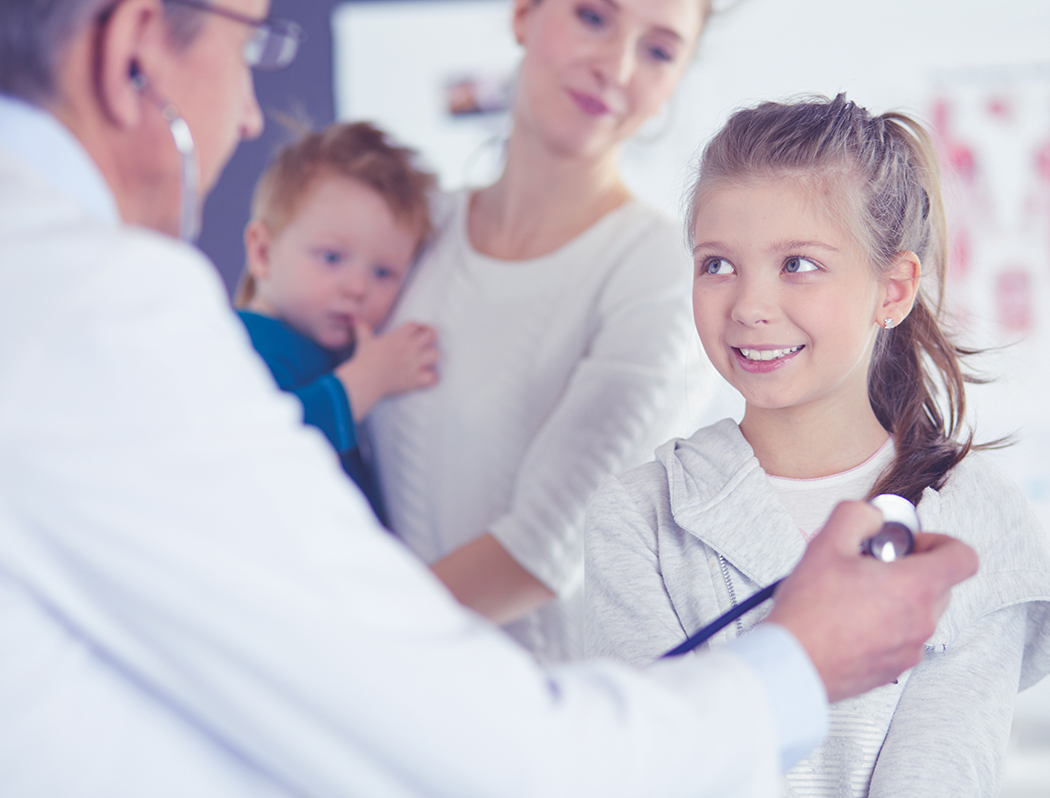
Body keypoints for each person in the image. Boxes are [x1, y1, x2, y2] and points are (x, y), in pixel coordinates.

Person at [0, 2, 979, 795]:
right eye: (249, 45)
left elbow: (532, 560)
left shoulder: (641, 277)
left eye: (659, 47)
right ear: (133, 49)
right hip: (470, 727)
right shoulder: (107, 304)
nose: (252, 112)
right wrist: (796, 667)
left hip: (508, 710)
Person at [585, 96, 1050, 797]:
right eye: (718, 265)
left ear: (894, 288)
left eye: (798, 264)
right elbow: (648, 772)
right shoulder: (639, 516)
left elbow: (936, 778)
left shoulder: (972, 520)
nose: (750, 305)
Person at [367, 0, 714, 661]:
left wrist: (333, 641)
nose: (615, 65)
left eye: (660, 50)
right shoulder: (415, 227)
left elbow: (542, 550)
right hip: (383, 710)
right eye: (592, 17)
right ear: (525, 13)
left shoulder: (660, 271)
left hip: (540, 724)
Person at [234, 121, 439, 526]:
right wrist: (365, 382)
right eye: (331, 258)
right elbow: (262, 446)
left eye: (383, 273)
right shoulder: (241, 343)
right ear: (262, 252)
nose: (357, 287)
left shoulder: (337, 350)